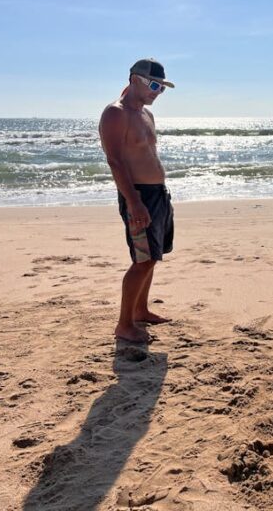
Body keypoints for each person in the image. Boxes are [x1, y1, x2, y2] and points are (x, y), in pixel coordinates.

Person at [99, 58, 176, 343]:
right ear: (134, 80)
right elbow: (115, 161)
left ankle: (141, 311)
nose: (157, 91)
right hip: (138, 195)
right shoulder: (115, 114)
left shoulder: (145, 114)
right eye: (154, 85)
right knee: (141, 260)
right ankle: (124, 324)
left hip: (157, 194)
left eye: (162, 88)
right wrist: (134, 202)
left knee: (153, 256)